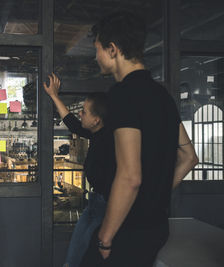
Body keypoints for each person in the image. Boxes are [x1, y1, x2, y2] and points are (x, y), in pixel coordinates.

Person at [80, 10, 199, 267]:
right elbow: (189, 158)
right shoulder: (162, 96)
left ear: (112, 49)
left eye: (97, 48)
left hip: (126, 228)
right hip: (156, 227)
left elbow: (130, 176)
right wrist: (153, 197)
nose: (95, 56)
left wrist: (105, 237)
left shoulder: (123, 95)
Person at [43, 74, 115, 267]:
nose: (80, 114)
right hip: (94, 202)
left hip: (106, 206)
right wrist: (54, 96)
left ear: (97, 120)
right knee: (75, 254)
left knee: (87, 255)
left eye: (84, 111)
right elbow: (72, 122)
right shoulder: (96, 133)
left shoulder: (109, 142)